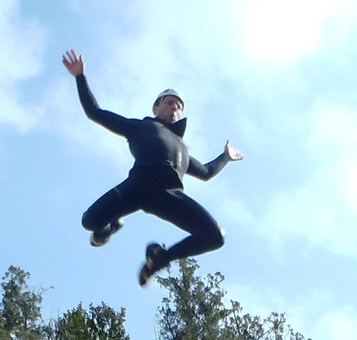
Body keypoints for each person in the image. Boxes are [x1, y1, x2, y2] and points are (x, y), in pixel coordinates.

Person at [62, 49, 243, 286]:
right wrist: (80, 77)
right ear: (156, 107)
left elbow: (206, 173)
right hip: (138, 185)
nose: (174, 108)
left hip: (167, 195)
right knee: (89, 222)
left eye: (179, 106)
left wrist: (225, 157)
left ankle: (160, 259)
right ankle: (109, 226)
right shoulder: (141, 127)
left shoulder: (183, 149)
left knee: (215, 237)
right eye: (169, 103)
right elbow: (95, 113)